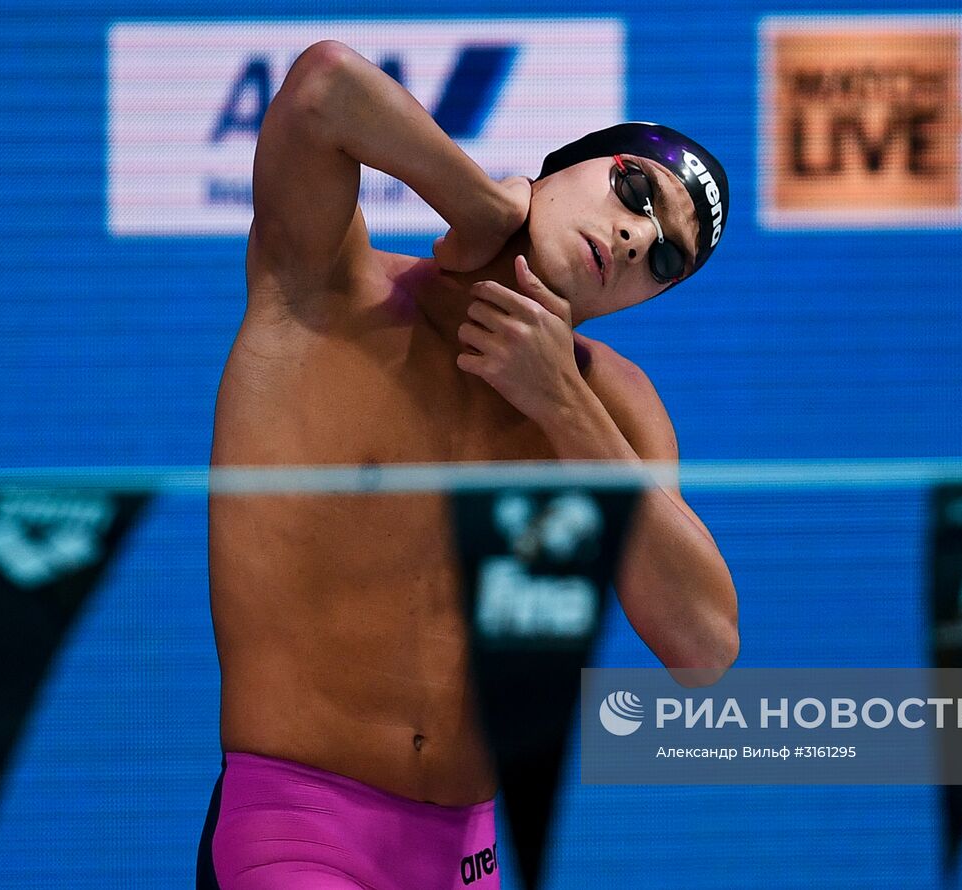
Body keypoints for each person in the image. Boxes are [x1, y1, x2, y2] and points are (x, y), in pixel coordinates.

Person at [196, 40, 738, 890]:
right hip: (296, 828)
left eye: (666, 258)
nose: (636, 237)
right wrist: (477, 199)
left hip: (467, 859)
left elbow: (705, 648)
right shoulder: (327, 292)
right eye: (634, 190)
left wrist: (562, 404)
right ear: (559, 168)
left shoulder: (616, 409)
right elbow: (326, 86)